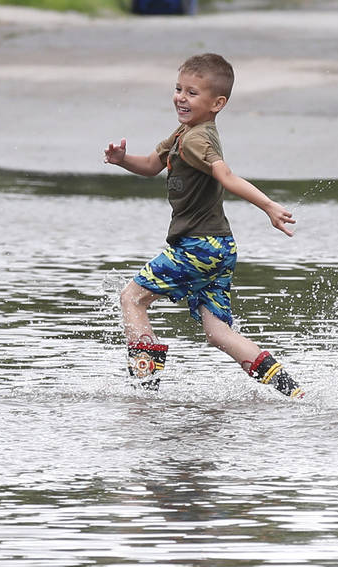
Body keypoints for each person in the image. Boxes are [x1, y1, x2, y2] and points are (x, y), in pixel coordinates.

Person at [103, 53, 305, 398]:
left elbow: (225, 176)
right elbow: (153, 164)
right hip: (219, 248)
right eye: (179, 89)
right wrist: (123, 161)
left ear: (217, 103)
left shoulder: (197, 140)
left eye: (192, 93)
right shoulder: (187, 132)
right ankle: (292, 392)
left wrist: (268, 206)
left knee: (132, 299)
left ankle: (144, 390)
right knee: (218, 332)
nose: (181, 97)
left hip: (197, 246)